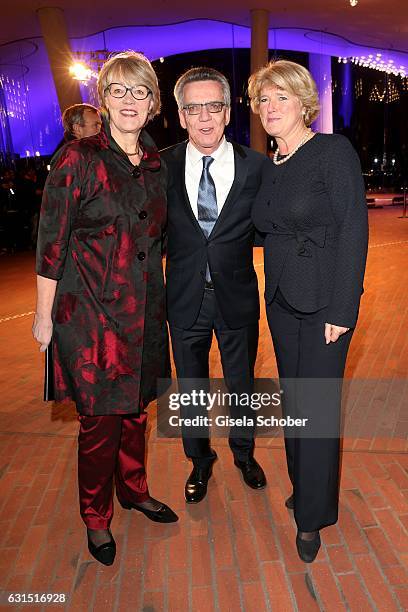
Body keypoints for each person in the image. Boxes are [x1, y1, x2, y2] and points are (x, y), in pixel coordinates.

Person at [33, 51, 178, 567]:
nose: (130, 100)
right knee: (100, 423)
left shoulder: (157, 162)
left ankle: (134, 490)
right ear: (104, 100)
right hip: (91, 314)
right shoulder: (80, 158)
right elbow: (52, 239)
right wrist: (43, 316)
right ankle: (96, 519)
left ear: (154, 101)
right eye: (118, 90)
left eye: (140, 90)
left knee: (136, 410)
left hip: (145, 312)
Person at [248, 60, 368, 562]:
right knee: (295, 403)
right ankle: (303, 486)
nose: (270, 108)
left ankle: (312, 518)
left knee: (315, 410)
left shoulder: (331, 152)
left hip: (324, 306)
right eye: (262, 100)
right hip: (280, 302)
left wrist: (343, 308)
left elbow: (353, 230)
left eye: (281, 97)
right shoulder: (269, 164)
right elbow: (262, 228)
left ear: (303, 103)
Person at [161, 67, 268, 504]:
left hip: (237, 295)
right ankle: (199, 461)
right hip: (184, 297)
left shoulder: (257, 167)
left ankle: (244, 453)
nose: (204, 116)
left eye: (213, 106)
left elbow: (268, 227)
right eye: (193, 107)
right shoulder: (159, 166)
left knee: (241, 382)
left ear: (228, 112)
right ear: (181, 115)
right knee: (190, 387)